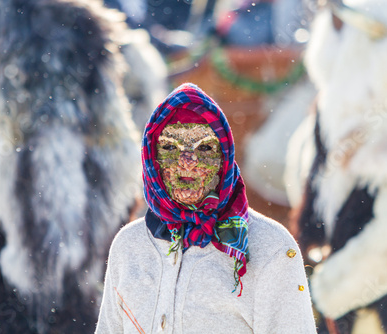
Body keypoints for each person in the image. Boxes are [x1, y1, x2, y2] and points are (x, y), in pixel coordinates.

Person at [95, 83, 316, 333]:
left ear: (224, 157)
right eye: (169, 147)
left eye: (204, 148)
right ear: (151, 158)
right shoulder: (128, 246)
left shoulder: (271, 249)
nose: (187, 162)